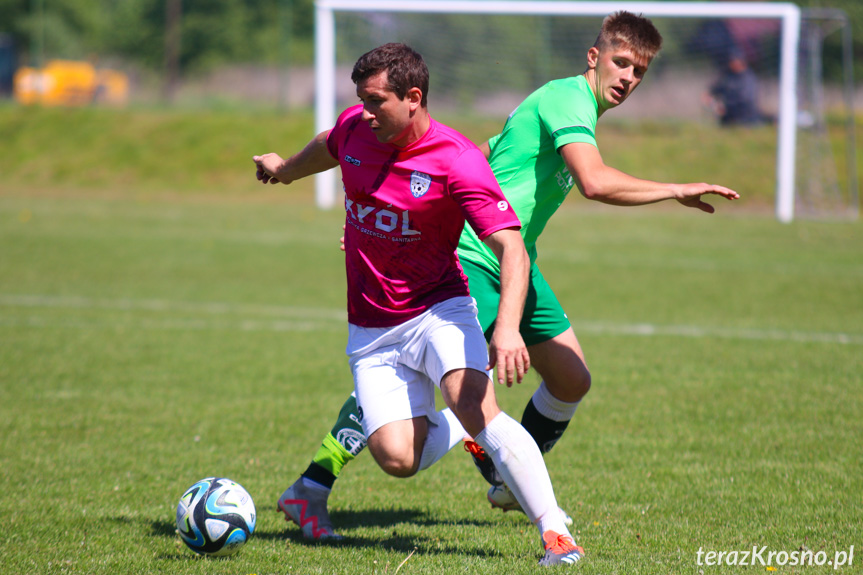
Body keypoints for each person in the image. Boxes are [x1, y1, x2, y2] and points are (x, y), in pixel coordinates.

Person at [279, 10, 739, 547]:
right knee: (438, 381)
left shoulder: (571, 107)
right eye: (620, 63)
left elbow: (479, 156)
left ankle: (501, 478)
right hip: (477, 256)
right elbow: (592, 181)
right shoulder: (567, 98)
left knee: (571, 379)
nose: (628, 79)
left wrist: (393, 220)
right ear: (594, 57)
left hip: (521, 256)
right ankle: (314, 483)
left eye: (639, 71)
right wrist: (674, 188)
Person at [254, 43, 584, 566]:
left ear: (413, 98)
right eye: (360, 99)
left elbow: (512, 249)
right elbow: (330, 143)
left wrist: (507, 329)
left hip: (440, 307)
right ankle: (461, 419)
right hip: (370, 326)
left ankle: (554, 533)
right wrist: (287, 170)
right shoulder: (356, 130)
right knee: (398, 458)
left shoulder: (457, 159)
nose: (365, 112)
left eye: (376, 101)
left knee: (475, 402)